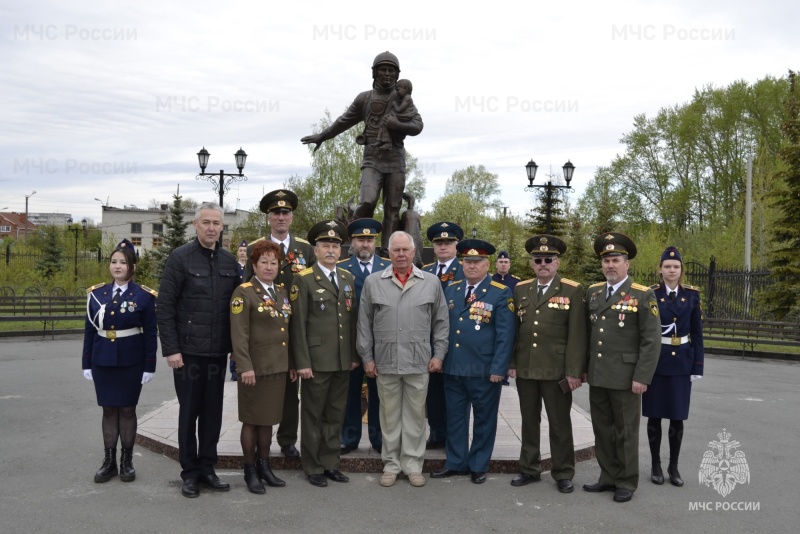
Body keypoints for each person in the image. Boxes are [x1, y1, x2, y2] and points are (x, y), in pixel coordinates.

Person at [157, 202, 240, 498]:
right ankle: (189, 473)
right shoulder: (180, 258)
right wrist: (171, 349)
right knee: (189, 413)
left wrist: (235, 349)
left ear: (221, 227)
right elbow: (164, 305)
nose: (211, 227)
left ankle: (207, 467)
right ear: (195, 225)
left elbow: (237, 310)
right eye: (206, 222)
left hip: (217, 353)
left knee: (212, 414)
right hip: (188, 353)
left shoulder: (230, 263)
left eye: (216, 223)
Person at [301, 51, 423, 247]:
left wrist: (395, 124)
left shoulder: (403, 98)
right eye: (383, 70)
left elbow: (418, 126)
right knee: (367, 200)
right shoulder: (364, 98)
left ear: (397, 75)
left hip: (395, 160)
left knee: (392, 208)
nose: (387, 74)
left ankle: (387, 252)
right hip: (372, 160)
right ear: (374, 73)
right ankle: (354, 245)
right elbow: (344, 121)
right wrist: (322, 136)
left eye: (391, 71)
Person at [357, 231, 449, 488]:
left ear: (413, 252)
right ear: (387, 252)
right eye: (395, 250)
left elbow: (441, 322)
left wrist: (439, 354)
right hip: (385, 361)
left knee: (416, 417)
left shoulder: (430, 282)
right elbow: (364, 324)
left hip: (419, 361)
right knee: (388, 416)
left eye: (405, 250)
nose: (400, 255)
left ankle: (412, 465)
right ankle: (391, 464)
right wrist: (367, 357)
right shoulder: (373, 282)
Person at [583, 232, 661, 503]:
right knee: (602, 429)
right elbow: (588, 335)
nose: (610, 266)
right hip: (599, 374)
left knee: (625, 432)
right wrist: (584, 368)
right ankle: (607, 476)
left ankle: (626, 481)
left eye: (615, 260)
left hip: (627, 378)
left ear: (627, 264)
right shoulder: (593, 292)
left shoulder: (642, 294)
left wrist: (642, 377)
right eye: (606, 262)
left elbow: (651, 341)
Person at [431, 239, 514, 484]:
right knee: (455, 418)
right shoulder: (452, 289)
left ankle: (478, 464)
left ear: (487, 264)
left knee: (484, 419)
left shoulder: (500, 292)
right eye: (467, 262)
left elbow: (505, 335)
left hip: (483, 370)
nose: (472, 266)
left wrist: (499, 368)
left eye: (477, 262)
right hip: (454, 367)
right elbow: (443, 327)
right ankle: (456, 462)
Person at [507, 235, 586, 493]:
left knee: (559, 423)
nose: (543, 263)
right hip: (527, 367)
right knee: (529, 421)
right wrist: (512, 362)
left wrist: (574, 371)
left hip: (556, 370)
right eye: (538, 259)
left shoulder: (572, 290)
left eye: (548, 259)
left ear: (557, 263)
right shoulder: (521, 289)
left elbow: (577, 335)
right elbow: (514, 330)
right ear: (531, 263)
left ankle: (563, 472)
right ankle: (529, 468)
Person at [245, 189, 316, 459]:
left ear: (292, 217)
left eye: (286, 212)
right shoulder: (254, 249)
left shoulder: (306, 250)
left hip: (295, 331)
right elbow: (245, 288)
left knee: (290, 391)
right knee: (262, 389)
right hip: (265, 332)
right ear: (268, 218)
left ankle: (287, 440)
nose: (281, 217)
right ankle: (257, 440)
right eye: (276, 213)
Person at [289, 220, 359, 488]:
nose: (331, 250)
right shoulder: (303, 279)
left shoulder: (347, 279)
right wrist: (302, 362)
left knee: (335, 415)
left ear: (341, 250)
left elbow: (350, 322)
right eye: (325, 245)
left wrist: (353, 355)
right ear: (315, 250)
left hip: (342, 360)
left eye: (335, 245)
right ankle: (312, 465)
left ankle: (331, 463)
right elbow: (298, 325)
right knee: (313, 416)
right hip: (316, 362)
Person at [82, 239, 157, 484]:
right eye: (114, 262)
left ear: (132, 267)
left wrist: (149, 365)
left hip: (131, 361)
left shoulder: (144, 296)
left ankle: (127, 462)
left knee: (127, 409)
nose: (117, 266)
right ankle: (108, 461)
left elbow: (150, 332)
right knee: (108, 410)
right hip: (102, 359)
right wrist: (86, 362)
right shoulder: (97, 294)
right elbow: (90, 331)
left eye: (122, 262)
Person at [230, 240, 294, 494]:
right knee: (252, 420)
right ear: (254, 265)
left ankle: (265, 466)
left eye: (273, 262)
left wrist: (290, 364)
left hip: (276, 368)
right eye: (264, 262)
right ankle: (250, 470)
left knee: (267, 420)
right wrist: (244, 366)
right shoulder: (243, 292)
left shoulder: (281, 292)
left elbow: (286, 331)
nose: (269, 267)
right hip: (253, 369)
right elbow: (239, 333)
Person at [643, 246, 704, 487]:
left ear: (681, 270)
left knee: (677, 417)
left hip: (681, 363)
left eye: (676, 267)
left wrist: (697, 366)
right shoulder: (650, 294)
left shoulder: (691, 295)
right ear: (660, 269)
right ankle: (656, 464)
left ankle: (673, 466)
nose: (671, 270)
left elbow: (698, 334)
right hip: (656, 362)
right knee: (655, 416)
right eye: (667, 266)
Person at [338, 218, 389, 455]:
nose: (365, 244)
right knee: (350, 392)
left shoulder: (387, 267)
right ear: (352, 242)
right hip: (349, 341)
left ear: (375, 242)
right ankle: (349, 437)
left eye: (369, 240)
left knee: (380, 393)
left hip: (380, 342)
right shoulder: (340, 268)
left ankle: (378, 438)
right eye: (360, 240)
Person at [422, 221, 464, 449]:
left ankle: (452, 438)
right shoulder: (425, 271)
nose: (443, 247)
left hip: (455, 343)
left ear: (456, 245)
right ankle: (436, 434)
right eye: (439, 243)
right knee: (434, 394)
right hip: (429, 342)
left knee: (454, 395)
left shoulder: (464, 269)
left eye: (448, 242)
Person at [375, 79, 416, 150]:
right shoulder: (403, 98)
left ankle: (387, 143)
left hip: (404, 117)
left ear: (405, 89)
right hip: (401, 115)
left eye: (398, 90)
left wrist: (394, 105)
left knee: (386, 120)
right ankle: (379, 140)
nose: (397, 92)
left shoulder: (407, 98)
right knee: (384, 121)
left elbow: (399, 110)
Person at [231, 239, 248, 381]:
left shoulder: (250, 267)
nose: (243, 253)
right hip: (236, 301)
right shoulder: (234, 267)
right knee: (235, 334)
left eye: (245, 251)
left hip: (248, 302)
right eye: (241, 251)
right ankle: (233, 369)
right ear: (238, 253)